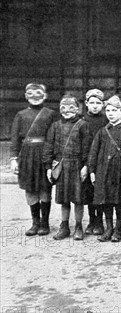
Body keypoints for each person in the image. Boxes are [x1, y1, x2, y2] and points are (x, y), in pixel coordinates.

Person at [10, 83, 60, 236]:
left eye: (39, 93)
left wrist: (53, 158)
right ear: (26, 96)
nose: (35, 97)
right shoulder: (20, 115)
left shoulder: (51, 114)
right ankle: (35, 223)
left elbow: (56, 136)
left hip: (44, 154)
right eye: (31, 93)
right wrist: (13, 158)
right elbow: (14, 139)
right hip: (26, 155)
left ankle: (45, 223)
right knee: (30, 188)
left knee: (45, 187)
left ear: (45, 95)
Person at [88, 95, 121, 242]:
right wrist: (92, 170)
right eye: (108, 110)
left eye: (114, 110)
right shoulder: (103, 131)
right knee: (106, 200)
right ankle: (108, 228)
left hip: (120, 172)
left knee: (119, 201)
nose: (110, 113)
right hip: (103, 171)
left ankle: (118, 229)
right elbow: (94, 152)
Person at [43, 95, 92, 240]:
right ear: (60, 109)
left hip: (77, 166)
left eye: (71, 107)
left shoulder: (83, 125)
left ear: (77, 109)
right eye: (63, 107)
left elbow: (87, 148)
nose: (67, 110)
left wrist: (86, 166)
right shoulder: (55, 126)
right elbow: (48, 146)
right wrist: (48, 167)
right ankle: (64, 227)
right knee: (64, 199)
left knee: (78, 199)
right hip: (61, 166)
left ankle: (78, 227)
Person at [81, 89, 108, 236]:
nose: (95, 106)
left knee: (101, 193)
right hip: (86, 162)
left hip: (102, 161)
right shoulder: (82, 121)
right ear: (86, 104)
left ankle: (99, 221)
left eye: (98, 103)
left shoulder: (106, 120)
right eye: (92, 103)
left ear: (103, 104)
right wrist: (85, 165)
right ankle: (91, 220)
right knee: (89, 193)